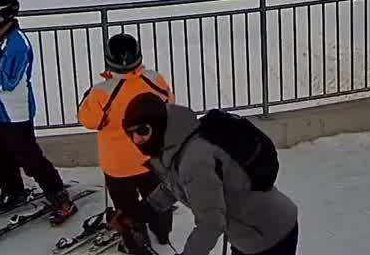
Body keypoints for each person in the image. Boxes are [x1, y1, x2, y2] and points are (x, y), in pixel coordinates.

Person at [121, 93, 299, 255]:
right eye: (131, 134)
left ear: (158, 124)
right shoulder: (175, 145)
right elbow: (174, 185)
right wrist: (144, 209)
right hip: (249, 233)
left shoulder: (194, 159)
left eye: (143, 130)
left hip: (268, 235)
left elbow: (211, 224)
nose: (137, 139)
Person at [0, 0, 76, 224]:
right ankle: (13, 191)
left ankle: (60, 196)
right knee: (0, 156)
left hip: (13, 112)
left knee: (29, 158)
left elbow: (7, 81)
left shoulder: (17, 44)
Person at [77, 33, 175, 253]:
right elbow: (169, 104)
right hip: (152, 157)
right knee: (158, 198)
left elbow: (88, 120)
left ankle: (137, 243)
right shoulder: (155, 79)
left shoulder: (102, 91)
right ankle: (162, 231)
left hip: (118, 165)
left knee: (127, 207)